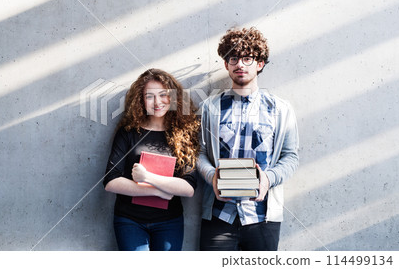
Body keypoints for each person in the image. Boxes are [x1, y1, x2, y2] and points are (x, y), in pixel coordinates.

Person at [197, 27, 299, 251]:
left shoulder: (281, 109)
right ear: (226, 64)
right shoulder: (209, 107)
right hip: (219, 216)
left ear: (259, 64)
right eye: (233, 58)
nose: (240, 65)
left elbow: (290, 157)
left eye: (247, 58)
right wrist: (212, 176)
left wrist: (268, 179)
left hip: (262, 217)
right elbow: (200, 154)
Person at [103, 68, 200, 251]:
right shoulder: (128, 132)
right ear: (141, 100)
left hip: (169, 222)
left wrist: (148, 178)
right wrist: (158, 192)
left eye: (163, 95)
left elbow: (188, 188)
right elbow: (111, 181)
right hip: (129, 221)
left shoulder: (183, 134)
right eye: (149, 96)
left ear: (173, 98)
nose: (157, 102)